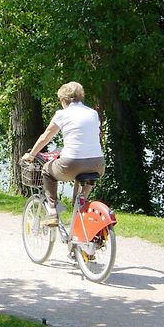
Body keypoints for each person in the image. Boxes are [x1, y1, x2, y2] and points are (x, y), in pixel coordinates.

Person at [22, 82, 105, 227]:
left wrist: (31, 155)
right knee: (81, 196)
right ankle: (81, 207)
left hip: (72, 164)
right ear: (81, 97)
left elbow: (46, 136)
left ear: (63, 100)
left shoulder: (62, 114)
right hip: (98, 164)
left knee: (47, 170)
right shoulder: (93, 113)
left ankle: (53, 211)